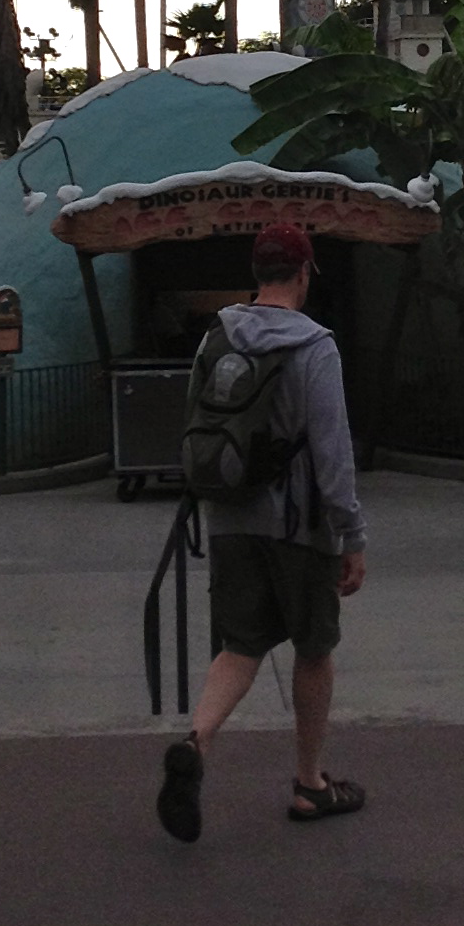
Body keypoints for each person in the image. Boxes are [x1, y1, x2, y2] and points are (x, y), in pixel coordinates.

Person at [156, 222, 367, 843]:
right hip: (299, 528)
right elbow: (332, 451)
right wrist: (351, 535)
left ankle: (196, 742)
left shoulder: (216, 336)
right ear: (303, 274)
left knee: (240, 646)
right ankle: (309, 783)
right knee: (314, 648)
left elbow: (193, 421)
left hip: (230, 519)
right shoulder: (315, 345)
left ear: (257, 273)